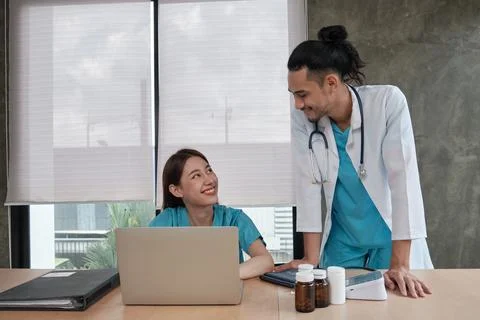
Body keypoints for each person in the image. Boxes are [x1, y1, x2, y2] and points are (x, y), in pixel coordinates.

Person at [275, 25, 433, 298]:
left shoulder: (387, 103)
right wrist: (310, 259)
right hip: (343, 244)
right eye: (294, 96)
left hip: (390, 241)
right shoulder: (303, 121)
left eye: (302, 94)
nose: (298, 105)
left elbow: (403, 181)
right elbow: (308, 186)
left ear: (331, 83)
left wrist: (401, 264)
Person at [149, 148, 274, 280]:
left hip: (226, 294)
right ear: (177, 190)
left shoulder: (234, 218)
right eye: (196, 175)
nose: (209, 180)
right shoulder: (167, 220)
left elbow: (265, 261)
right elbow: (144, 264)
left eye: (209, 170)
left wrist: (217, 277)